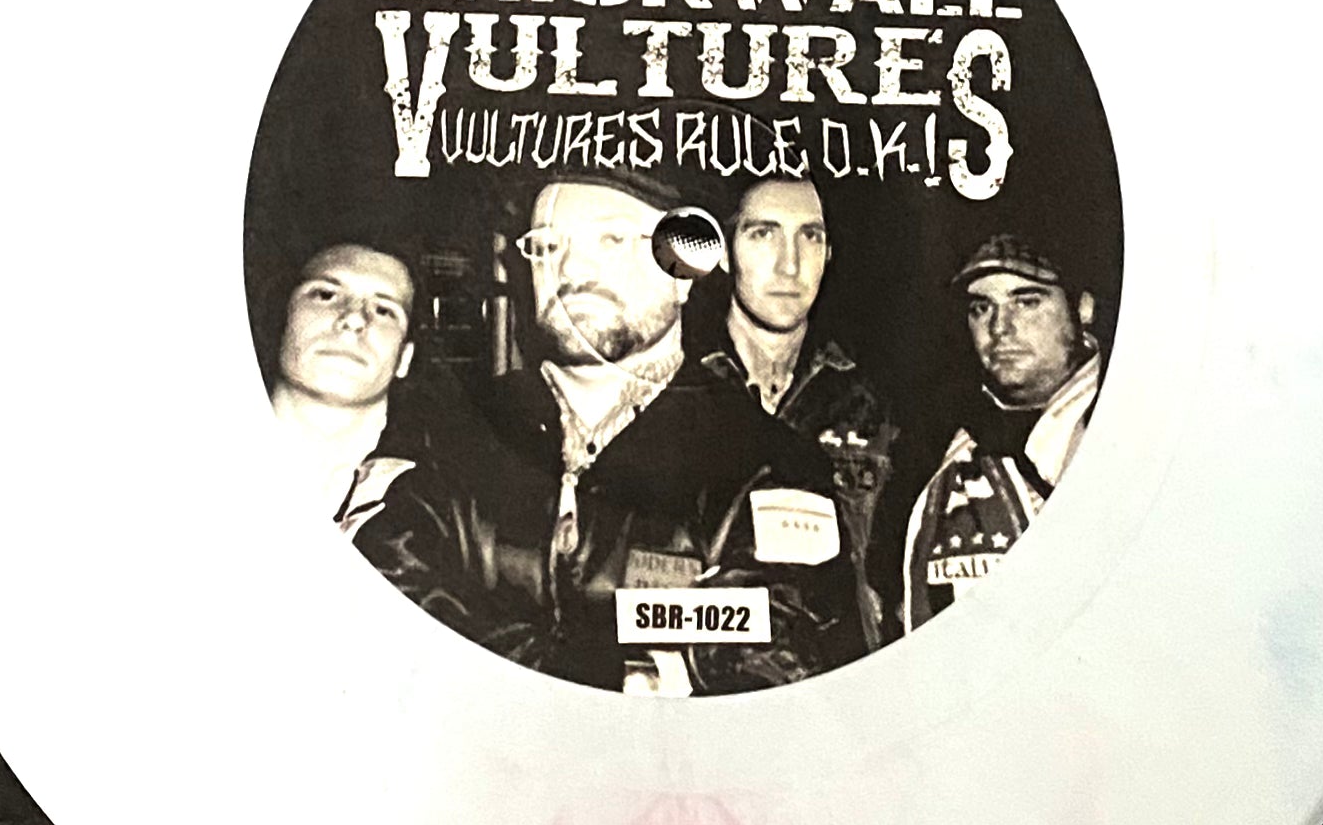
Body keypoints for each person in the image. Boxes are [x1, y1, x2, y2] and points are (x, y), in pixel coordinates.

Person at [353, 171, 867, 695]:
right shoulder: (451, 427)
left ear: (682, 274)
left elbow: (775, 652)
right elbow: (385, 602)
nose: (571, 267)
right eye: (547, 246)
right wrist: (625, 674)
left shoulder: (769, 461)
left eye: (612, 238)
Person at [697, 177, 895, 649]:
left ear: (828, 254)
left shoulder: (874, 407)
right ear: (724, 253)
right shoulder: (676, 385)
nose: (790, 264)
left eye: (810, 236)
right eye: (763, 234)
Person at [902, 235, 1103, 633]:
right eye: (981, 308)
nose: (1000, 328)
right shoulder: (935, 447)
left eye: (1026, 302)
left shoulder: (1134, 425)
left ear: (1083, 308)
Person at [270, 241, 419, 534]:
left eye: (383, 310)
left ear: (405, 357)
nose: (353, 318)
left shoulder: (448, 511)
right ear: (281, 321)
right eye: (326, 295)